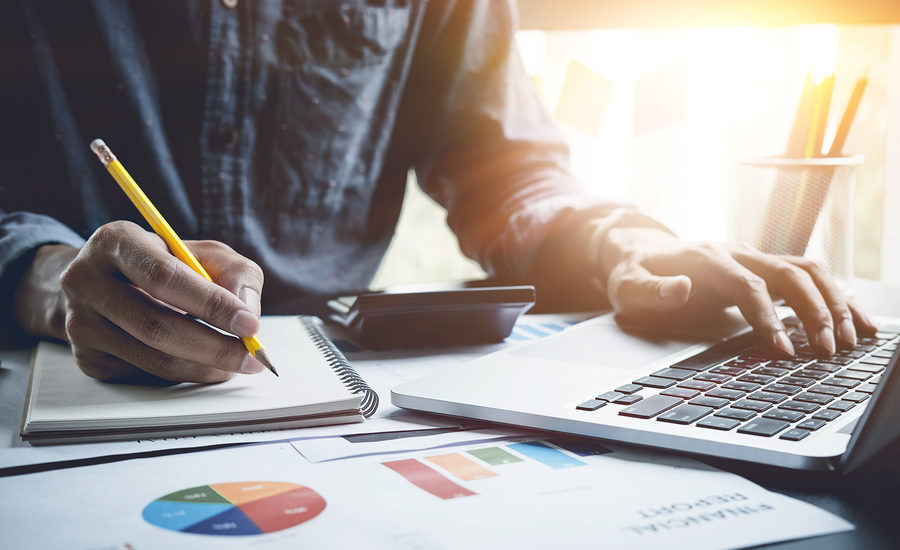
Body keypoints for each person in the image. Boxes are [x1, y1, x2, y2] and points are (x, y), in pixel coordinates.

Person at [1, 0, 876, 384]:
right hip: (46, 374)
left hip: (336, 391)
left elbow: (506, 168)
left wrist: (623, 245)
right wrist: (44, 277)